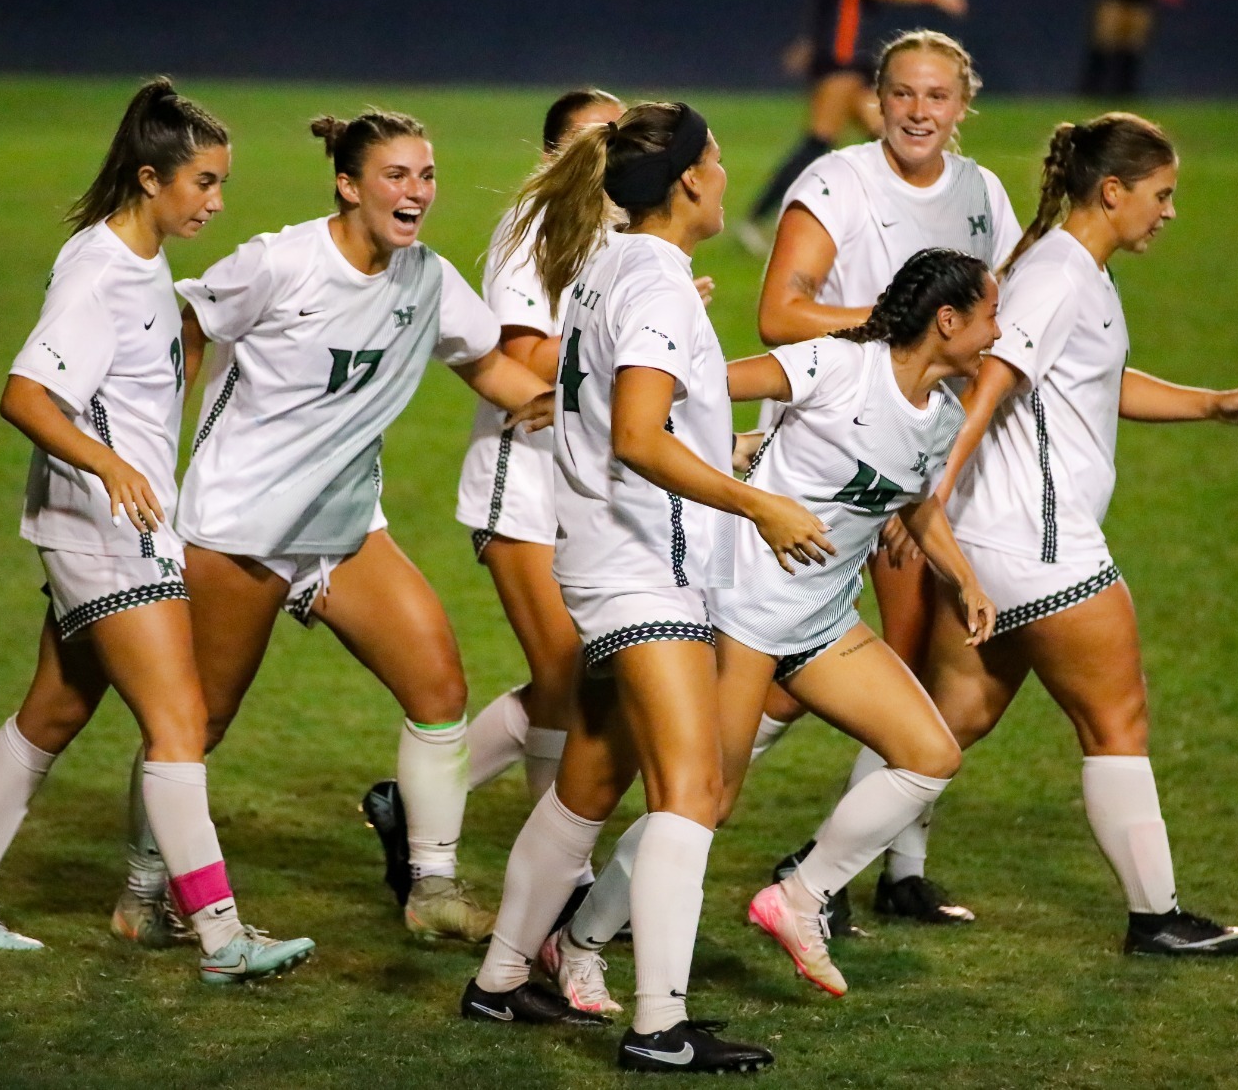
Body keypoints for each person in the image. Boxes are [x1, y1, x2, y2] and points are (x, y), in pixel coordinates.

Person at [805, 111, 1238, 956]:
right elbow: (992, 382)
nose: (1168, 211)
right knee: (1117, 721)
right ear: (1112, 190)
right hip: (1043, 548)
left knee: (948, 720)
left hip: (999, 545)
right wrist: (931, 498)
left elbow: (1090, 379)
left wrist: (1211, 403)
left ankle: (812, 880)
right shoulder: (1060, 271)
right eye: (1161, 194)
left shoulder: (1075, 270)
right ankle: (1156, 914)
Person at [110, 108, 554, 947]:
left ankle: (433, 885)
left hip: (346, 527)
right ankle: (143, 891)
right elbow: (192, 318)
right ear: (349, 186)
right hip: (241, 525)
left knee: (439, 688)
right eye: (396, 175)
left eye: (426, 175)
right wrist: (156, 433)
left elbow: (489, 362)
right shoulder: (283, 262)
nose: (416, 191)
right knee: (197, 720)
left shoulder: (427, 278)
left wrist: (579, 406)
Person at [457, 101, 830, 1075]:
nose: (723, 167)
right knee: (691, 788)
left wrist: (726, 447)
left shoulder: (609, 262)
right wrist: (754, 502)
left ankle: (499, 980)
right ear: (688, 184)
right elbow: (635, 435)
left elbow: (633, 422)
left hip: (609, 556)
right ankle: (658, 1026)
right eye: (715, 155)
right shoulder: (654, 283)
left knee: (586, 781)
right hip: (645, 574)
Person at [0, 78, 315, 984]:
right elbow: (25, 395)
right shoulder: (100, 270)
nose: (216, 201)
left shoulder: (144, 265)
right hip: (104, 529)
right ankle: (220, 934)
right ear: (149, 179)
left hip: (119, 522)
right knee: (180, 720)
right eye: (203, 183)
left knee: (52, 712)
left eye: (221, 183)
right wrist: (112, 465)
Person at [540, 248, 1002, 1004]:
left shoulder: (942, 414)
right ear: (947, 321)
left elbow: (913, 498)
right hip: (747, 608)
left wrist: (966, 579)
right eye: (989, 316)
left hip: (821, 617)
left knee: (928, 754)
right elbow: (705, 386)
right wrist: (658, 359)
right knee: (705, 800)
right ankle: (578, 941)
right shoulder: (836, 364)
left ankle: (799, 896)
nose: (997, 332)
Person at [751, 28, 1021, 926]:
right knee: (782, 668)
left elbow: (1003, 320)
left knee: (903, 662)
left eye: (937, 96)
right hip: (822, 452)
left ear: (962, 105)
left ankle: (886, 870)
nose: (918, 111)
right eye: (903, 93)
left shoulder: (982, 194)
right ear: (876, 99)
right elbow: (778, 313)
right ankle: (683, 811)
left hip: (913, 456)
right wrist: (901, 327)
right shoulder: (835, 182)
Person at [448, 88, 624, 806]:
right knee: (564, 671)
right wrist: (625, 335)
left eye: (620, 137)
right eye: (594, 139)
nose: (610, 153)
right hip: (521, 475)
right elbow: (518, 350)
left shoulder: (621, 233)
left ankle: (416, 796)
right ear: (555, 154)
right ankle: (563, 874)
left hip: (588, 479)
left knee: (581, 672)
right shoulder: (532, 225)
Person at [736, 0, 969, 254]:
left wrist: (810, 41)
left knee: (887, 136)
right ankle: (757, 219)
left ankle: (907, 223)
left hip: (845, 53)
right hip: (842, 55)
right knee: (820, 140)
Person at [1078, 0, 1183, 97]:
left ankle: (1125, 93)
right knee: (1104, 46)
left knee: (1131, 50)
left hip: (1140, 0)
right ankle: (1090, 91)